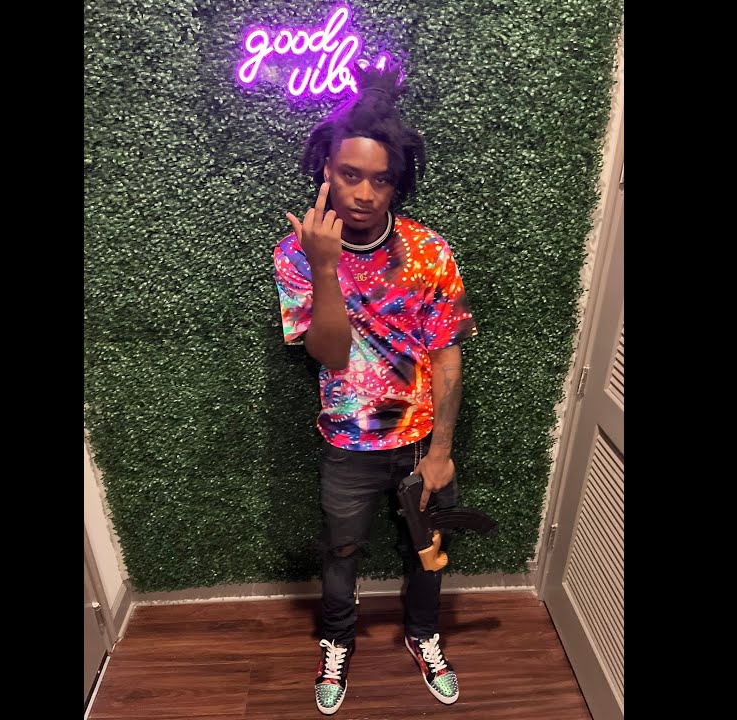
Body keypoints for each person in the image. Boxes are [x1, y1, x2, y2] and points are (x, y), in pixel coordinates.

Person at [272, 65, 478, 715]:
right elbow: (329, 354)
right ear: (325, 170)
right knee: (342, 551)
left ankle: (423, 634)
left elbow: (446, 357)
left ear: (398, 181)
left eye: (381, 179)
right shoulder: (296, 253)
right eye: (350, 174)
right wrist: (325, 267)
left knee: (429, 550)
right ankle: (337, 641)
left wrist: (441, 452)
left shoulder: (429, 251)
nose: (364, 193)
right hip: (348, 446)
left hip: (419, 443)